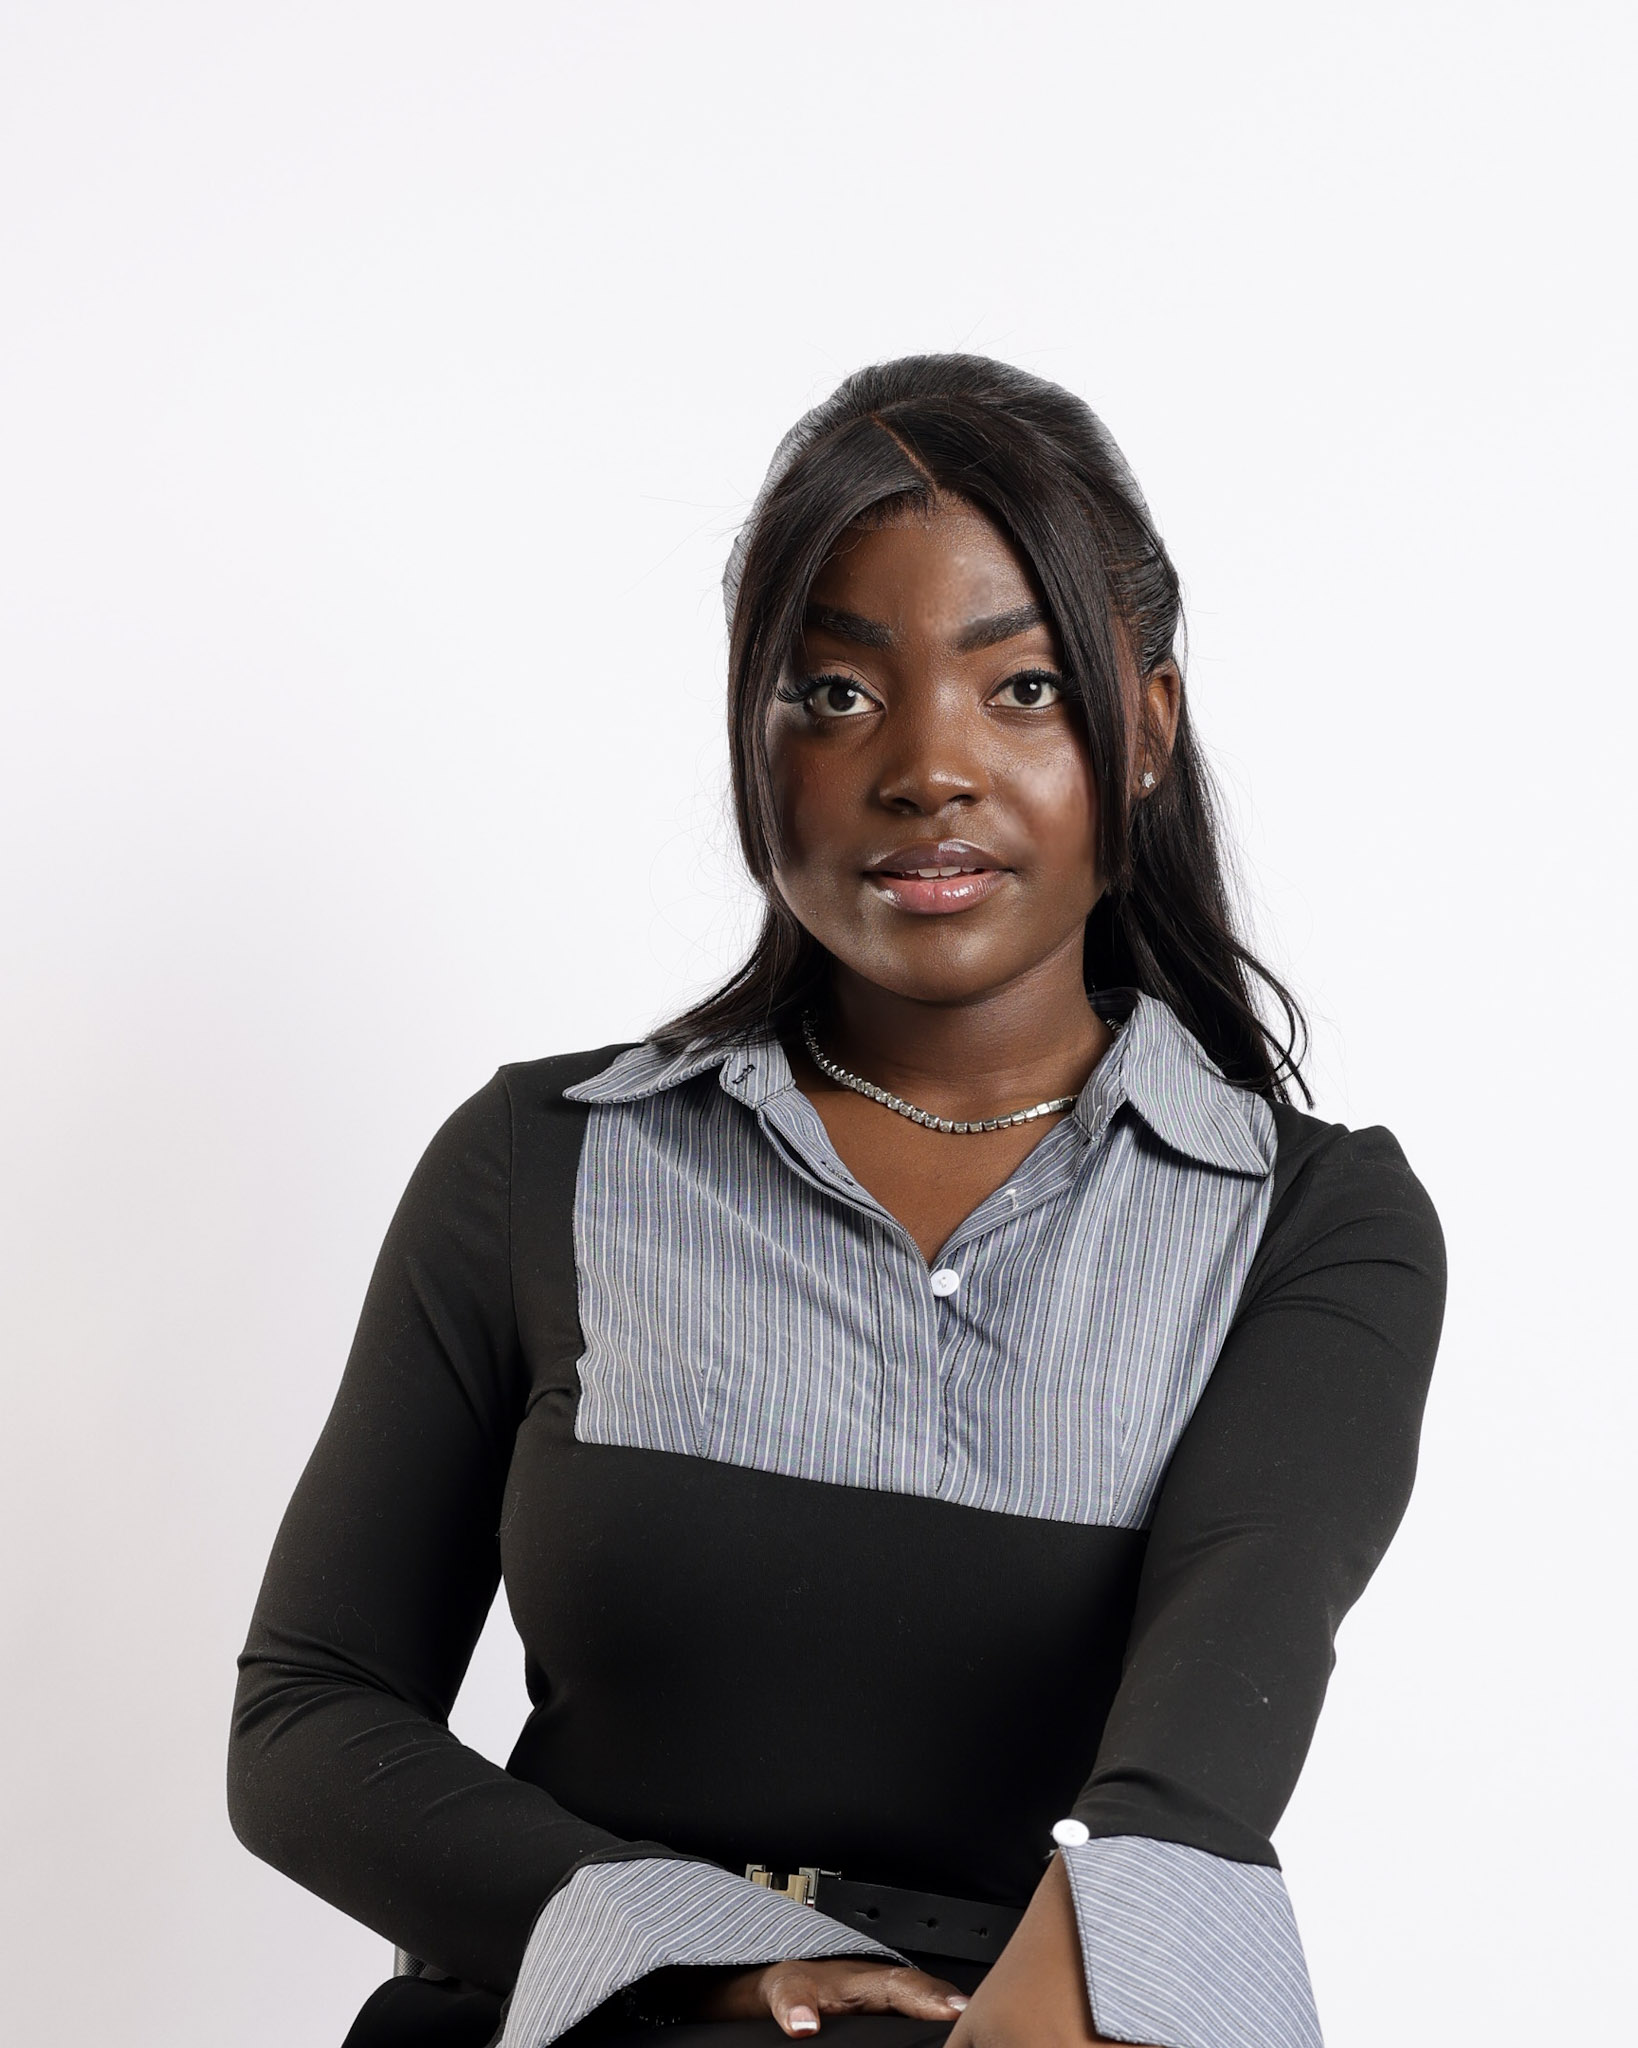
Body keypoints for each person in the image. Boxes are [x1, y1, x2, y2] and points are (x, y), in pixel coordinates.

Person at [228, 355, 1446, 2048]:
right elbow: (311, 1720)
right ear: (752, 736)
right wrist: (697, 1953)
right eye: (833, 693)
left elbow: (1180, 1809)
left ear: (1144, 726)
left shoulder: (1305, 1224)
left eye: (1018, 689)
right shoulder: (540, 1161)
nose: (927, 770)